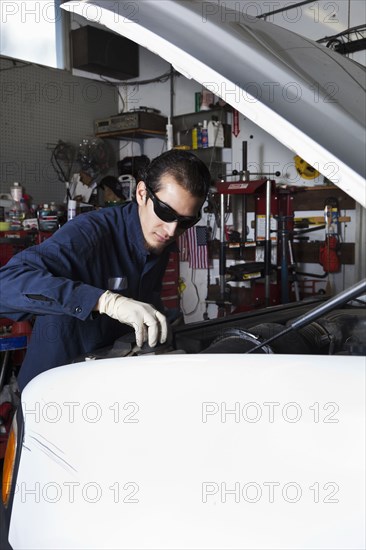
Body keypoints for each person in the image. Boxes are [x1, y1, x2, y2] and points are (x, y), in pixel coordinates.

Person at [0, 150, 211, 391]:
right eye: (165, 212)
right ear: (142, 193)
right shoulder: (89, 234)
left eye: (185, 222)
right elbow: (5, 285)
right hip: (54, 392)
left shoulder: (160, 238)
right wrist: (104, 301)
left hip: (109, 387)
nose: (172, 230)